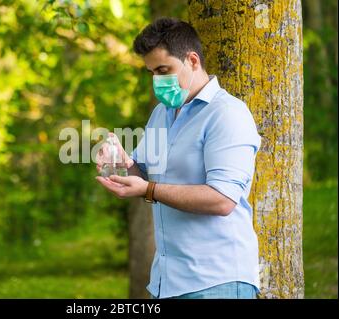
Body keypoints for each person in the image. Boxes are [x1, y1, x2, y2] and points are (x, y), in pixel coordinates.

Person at [95, 17, 261, 299]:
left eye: (163, 70)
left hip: (216, 282)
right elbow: (146, 177)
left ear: (192, 60)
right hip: (168, 283)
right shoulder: (162, 113)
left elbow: (223, 199)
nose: (157, 81)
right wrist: (125, 163)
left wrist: (148, 190)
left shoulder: (227, 113)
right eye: (151, 72)